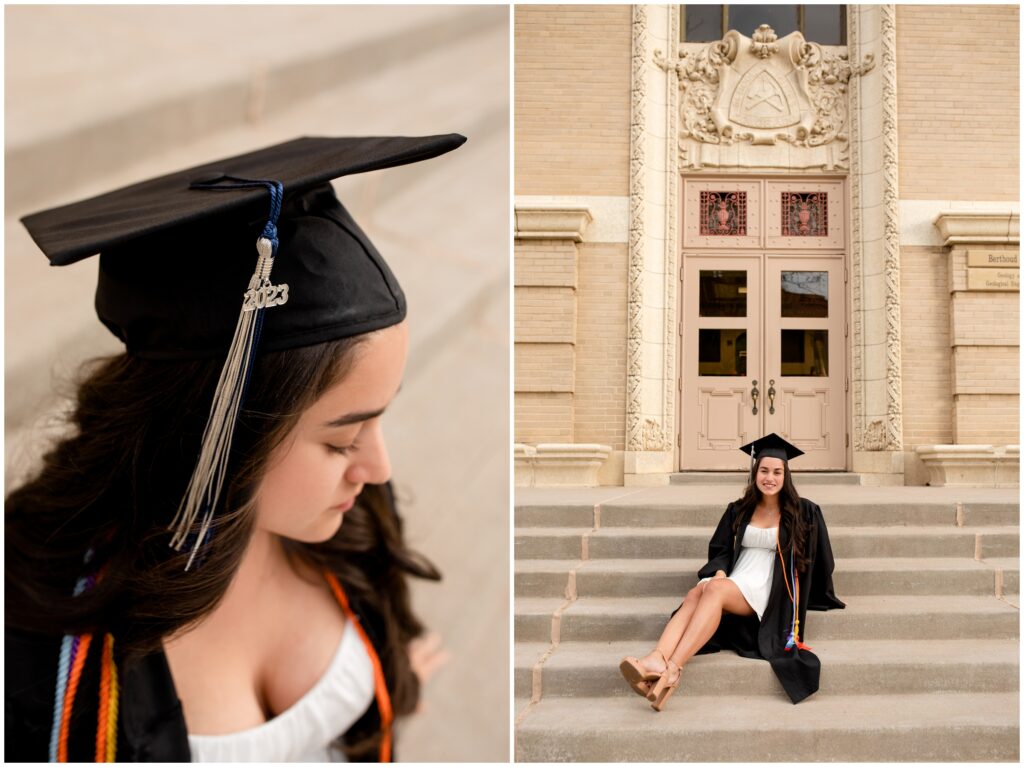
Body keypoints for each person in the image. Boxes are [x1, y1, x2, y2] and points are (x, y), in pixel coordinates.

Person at [5, 134, 465, 761]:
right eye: (342, 439)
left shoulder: (351, 518)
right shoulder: (36, 633)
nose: (377, 467)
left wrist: (387, 679)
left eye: (379, 420)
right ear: (219, 430)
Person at [618, 434, 845, 710]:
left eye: (777, 472)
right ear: (754, 472)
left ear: (786, 475)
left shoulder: (802, 512)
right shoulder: (738, 510)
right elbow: (721, 550)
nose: (769, 478)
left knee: (712, 590)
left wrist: (815, 594)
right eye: (764, 471)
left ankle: (673, 668)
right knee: (697, 591)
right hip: (736, 580)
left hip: (766, 590)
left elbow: (819, 557)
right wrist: (720, 571)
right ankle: (657, 659)